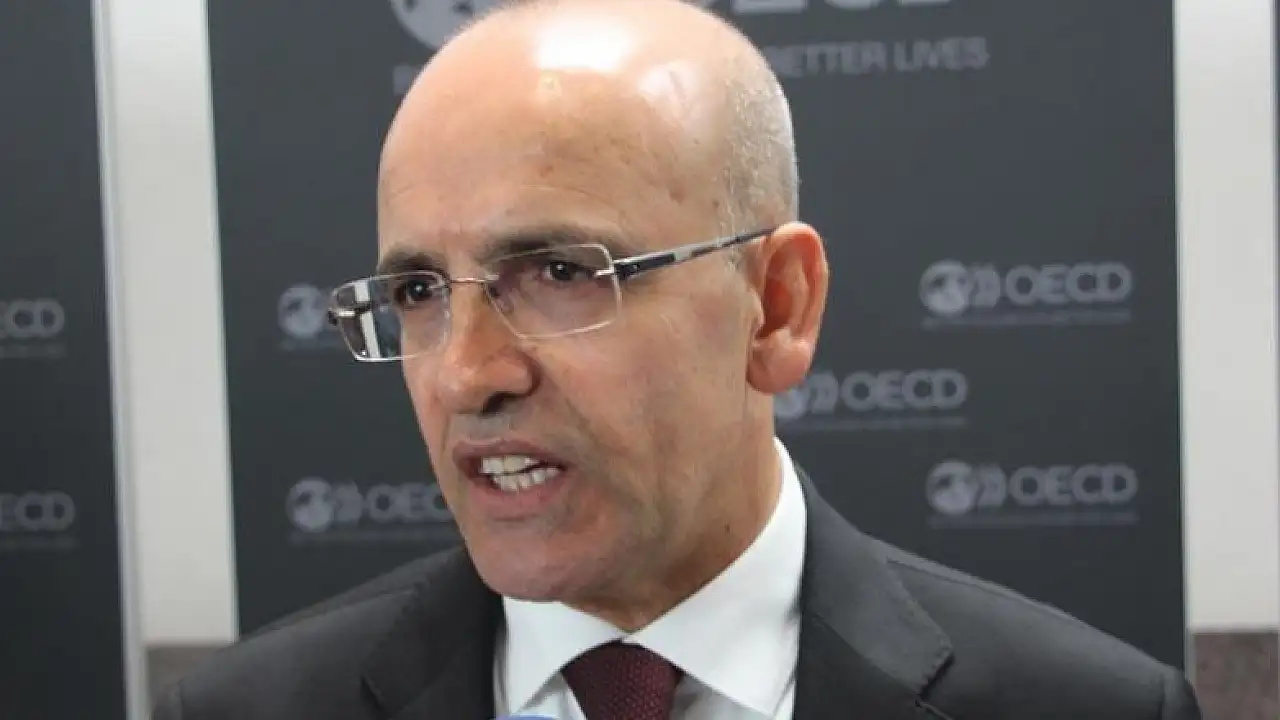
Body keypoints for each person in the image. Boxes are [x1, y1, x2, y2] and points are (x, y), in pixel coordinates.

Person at [154, 1, 1202, 718]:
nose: (467, 375)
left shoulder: (1087, 708)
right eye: (420, 293)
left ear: (775, 307)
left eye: (560, 272)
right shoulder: (248, 712)